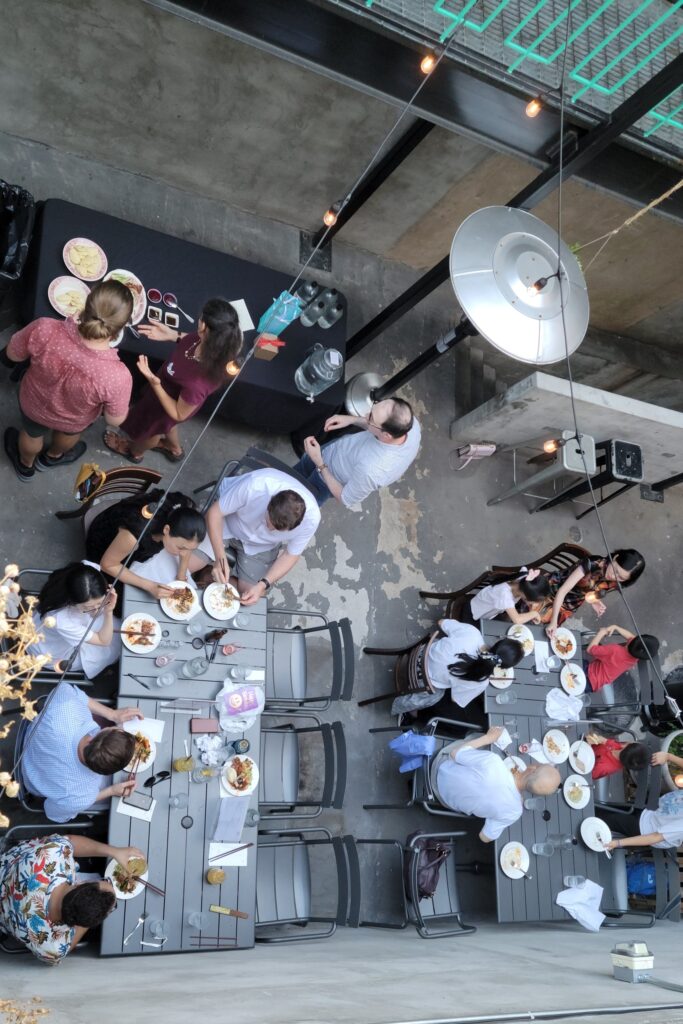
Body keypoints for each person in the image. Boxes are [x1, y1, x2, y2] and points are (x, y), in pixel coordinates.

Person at [3, 280, 134, 482]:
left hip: (34, 404)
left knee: (31, 434)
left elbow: (12, 354)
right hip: (74, 420)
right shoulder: (118, 375)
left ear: (86, 304)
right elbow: (113, 420)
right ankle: (52, 457)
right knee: (68, 435)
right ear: (119, 329)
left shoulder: (45, 328)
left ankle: (25, 466)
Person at [103, 298, 242, 463]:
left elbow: (179, 413)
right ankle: (174, 448)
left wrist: (155, 383)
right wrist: (173, 335)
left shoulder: (197, 383)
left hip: (168, 405)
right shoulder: (215, 344)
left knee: (150, 431)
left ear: (204, 326)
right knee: (166, 425)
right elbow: (191, 340)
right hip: (167, 391)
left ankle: (134, 452)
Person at [0, 832, 144, 964]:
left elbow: (70, 841)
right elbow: (66, 947)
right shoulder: (53, 948)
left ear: (79, 883)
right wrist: (89, 915)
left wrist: (114, 851)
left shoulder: (52, 856)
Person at [193, 468, 320, 605]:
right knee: (184, 564)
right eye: (268, 521)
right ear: (270, 502)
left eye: (276, 530)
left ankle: (209, 574)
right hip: (228, 523)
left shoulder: (311, 520)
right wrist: (220, 558)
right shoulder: (255, 486)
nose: (268, 528)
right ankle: (211, 570)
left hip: (261, 547)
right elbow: (215, 513)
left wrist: (263, 585)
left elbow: (290, 555)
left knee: (250, 600)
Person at [22, 684, 142, 822]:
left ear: (102, 731)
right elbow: (52, 812)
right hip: (27, 779)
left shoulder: (67, 708)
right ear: (103, 773)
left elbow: (65, 689)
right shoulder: (82, 795)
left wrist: (112, 714)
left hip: (30, 735)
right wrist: (110, 791)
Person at [436, 726, 561, 842]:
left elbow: (455, 754)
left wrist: (488, 738)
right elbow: (484, 837)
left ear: (532, 768)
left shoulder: (494, 761)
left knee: (477, 737)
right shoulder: (514, 812)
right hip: (444, 800)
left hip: (439, 769)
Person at [293, 398, 421, 509]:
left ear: (387, 435)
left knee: (296, 501)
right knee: (297, 471)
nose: (365, 415)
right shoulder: (410, 423)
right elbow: (374, 424)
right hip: (333, 451)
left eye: (370, 417)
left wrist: (320, 463)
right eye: (373, 406)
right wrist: (351, 420)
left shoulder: (371, 472)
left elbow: (345, 498)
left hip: (326, 481)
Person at [85, 490, 206, 600]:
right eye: (181, 548)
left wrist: (181, 576)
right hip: (107, 544)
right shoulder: (134, 537)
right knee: (127, 599)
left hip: (133, 535)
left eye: (190, 549)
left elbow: (188, 547)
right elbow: (108, 565)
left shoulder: (185, 511)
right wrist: (150, 586)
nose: (184, 553)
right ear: (167, 530)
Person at [391, 619, 524, 716]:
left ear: (497, 643)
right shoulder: (481, 681)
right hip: (421, 681)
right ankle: (405, 707)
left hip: (419, 655)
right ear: (502, 667)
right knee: (438, 695)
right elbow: (456, 699)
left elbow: (441, 622)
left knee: (440, 643)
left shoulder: (473, 633)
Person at [28, 562, 121, 680]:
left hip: (56, 625)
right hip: (51, 651)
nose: (98, 608)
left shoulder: (86, 575)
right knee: (112, 647)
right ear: (71, 601)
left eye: (100, 602)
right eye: (89, 606)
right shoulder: (63, 621)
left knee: (117, 627)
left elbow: (94, 611)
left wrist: (97, 608)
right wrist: (108, 611)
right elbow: (104, 641)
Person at [544, 549, 645, 637]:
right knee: (539, 618)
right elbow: (563, 591)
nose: (614, 576)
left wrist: (594, 600)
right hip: (552, 589)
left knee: (549, 633)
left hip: (571, 604)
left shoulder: (616, 583)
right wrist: (554, 621)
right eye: (616, 570)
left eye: (621, 578)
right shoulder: (591, 564)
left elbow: (589, 591)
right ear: (615, 557)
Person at [584, 624, 659, 692]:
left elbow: (590, 650)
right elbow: (631, 636)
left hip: (589, 676)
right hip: (595, 684)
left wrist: (601, 633)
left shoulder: (614, 650)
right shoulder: (636, 657)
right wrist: (615, 627)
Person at [605, 789, 683, 852]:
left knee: (607, 819)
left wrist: (617, 843)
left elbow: (655, 837)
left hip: (646, 830)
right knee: (604, 809)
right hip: (648, 810)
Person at [464, 569, 550, 625]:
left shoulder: (524, 580)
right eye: (534, 601)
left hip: (488, 612)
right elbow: (517, 620)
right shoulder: (505, 595)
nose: (535, 604)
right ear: (525, 595)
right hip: (472, 613)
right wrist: (534, 613)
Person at [585, 730, 650, 781]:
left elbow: (586, 775)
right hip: (584, 745)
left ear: (627, 745)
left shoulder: (604, 767)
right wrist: (600, 739)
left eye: (634, 743)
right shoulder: (618, 746)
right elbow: (606, 742)